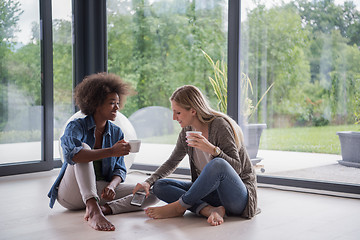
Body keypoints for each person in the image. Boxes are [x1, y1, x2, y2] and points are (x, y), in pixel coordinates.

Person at [133, 85, 258, 226]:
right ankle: (209, 210)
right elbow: (172, 162)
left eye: (178, 113)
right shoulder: (187, 132)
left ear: (193, 111)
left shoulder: (219, 126)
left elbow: (236, 168)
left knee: (218, 164)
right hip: (212, 195)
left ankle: (180, 207)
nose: (174, 118)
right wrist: (148, 182)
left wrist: (213, 150)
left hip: (237, 197)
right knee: (160, 186)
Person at [48, 73, 158, 231]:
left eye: (118, 103)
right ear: (96, 103)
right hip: (72, 194)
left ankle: (107, 209)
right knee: (83, 150)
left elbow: (120, 169)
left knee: (152, 192)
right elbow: (73, 155)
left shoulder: (116, 132)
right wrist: (111, 151)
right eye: (112, 103)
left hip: (100, 192)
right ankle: (93, 210)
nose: (117, 108)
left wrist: (112, 186)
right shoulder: (76, 126)